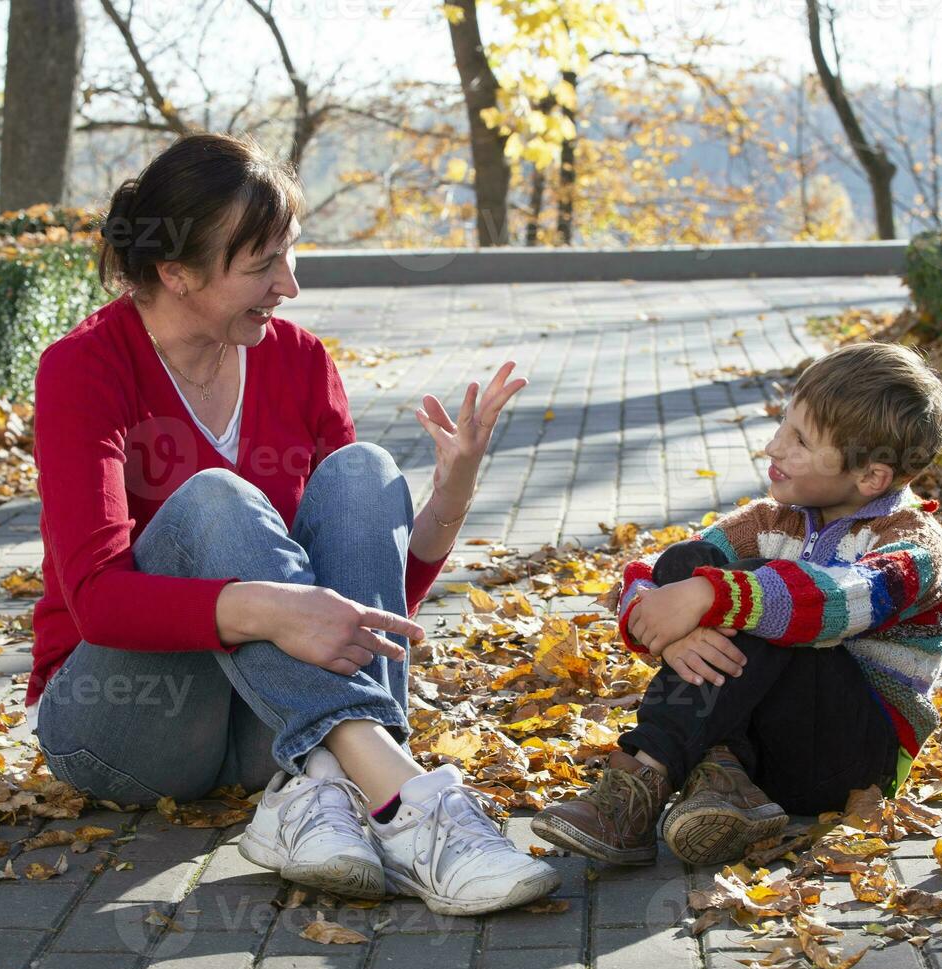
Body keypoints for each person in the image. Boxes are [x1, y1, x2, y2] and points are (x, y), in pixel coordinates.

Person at [28, 132, 559, 915]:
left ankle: (315, 789)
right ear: (174, 273)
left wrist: (449, 498)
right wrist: (275, 608)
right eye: (262, 266)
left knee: (365, 471)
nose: (291, 285)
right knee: (216, 499)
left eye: (291, 253)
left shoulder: (299, 360)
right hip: (124, 722)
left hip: (267, 723)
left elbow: (363, 608)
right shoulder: (84, 368)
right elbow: (98, 600)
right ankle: (409, 805)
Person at [532, 341, 942, 866]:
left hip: (849, 759)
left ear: (870, 476)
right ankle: (724, 778)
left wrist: (713, 597)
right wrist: (668, 616)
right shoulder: (768, 519)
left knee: (771, 593)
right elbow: (652, 574)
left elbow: (835, 602)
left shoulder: (914, 547)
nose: (773, 447)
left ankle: (639, 783)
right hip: (765, 744)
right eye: (783, 424)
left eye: (800, 440)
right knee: (688, 561)